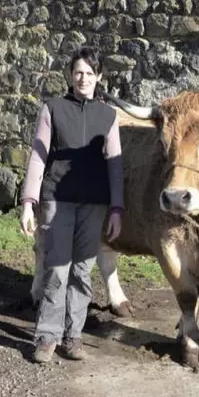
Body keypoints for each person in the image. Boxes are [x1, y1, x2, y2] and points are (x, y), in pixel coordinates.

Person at [20, 46, 124, 364]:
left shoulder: (108, 116)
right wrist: (29, 201)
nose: (84, 78)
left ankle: (73, 336)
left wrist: (117, 208)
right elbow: (38, 157)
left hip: (94, 204)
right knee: (57, 269)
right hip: (57, 200)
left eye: (90, 73)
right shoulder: (52, 109)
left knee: (81, 272)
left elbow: (115, 165)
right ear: (70, 75)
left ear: (99, 77)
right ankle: (47, 337)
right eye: (78, 72)